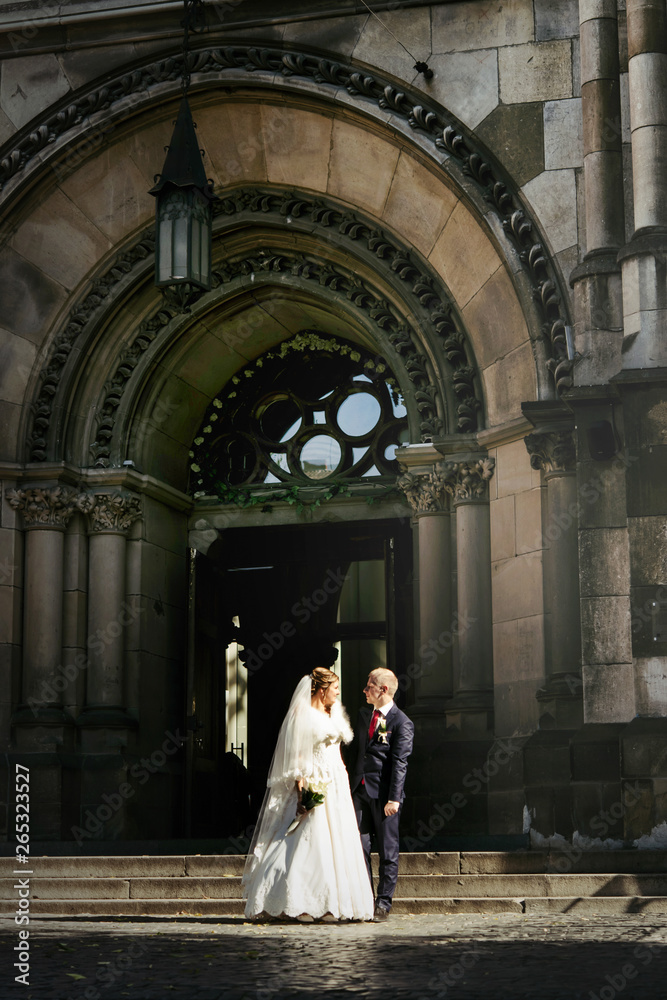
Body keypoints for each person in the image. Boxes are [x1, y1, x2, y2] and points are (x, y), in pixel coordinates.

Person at [242, 667, 374, 921]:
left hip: (336, 783)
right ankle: (297, 901)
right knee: (308, 839)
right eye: (335, 688)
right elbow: (297, 757)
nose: (338, 693)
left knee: (338, 841)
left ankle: (333, 903)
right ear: (322, 690)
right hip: (315, 780)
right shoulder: (303, 716)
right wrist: (302, 792)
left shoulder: (333, 713)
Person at [349, 667, 414, 921]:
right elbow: (357, 752)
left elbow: (400, 762)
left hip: (386, 797)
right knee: (360, 847)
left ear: (383, 689)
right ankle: (365, 898)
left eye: (369, 685)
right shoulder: (364, 716)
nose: (365, 690)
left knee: (388, 851)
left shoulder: (402, 722)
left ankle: (383, 903)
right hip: (360, 792)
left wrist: (394, 798)